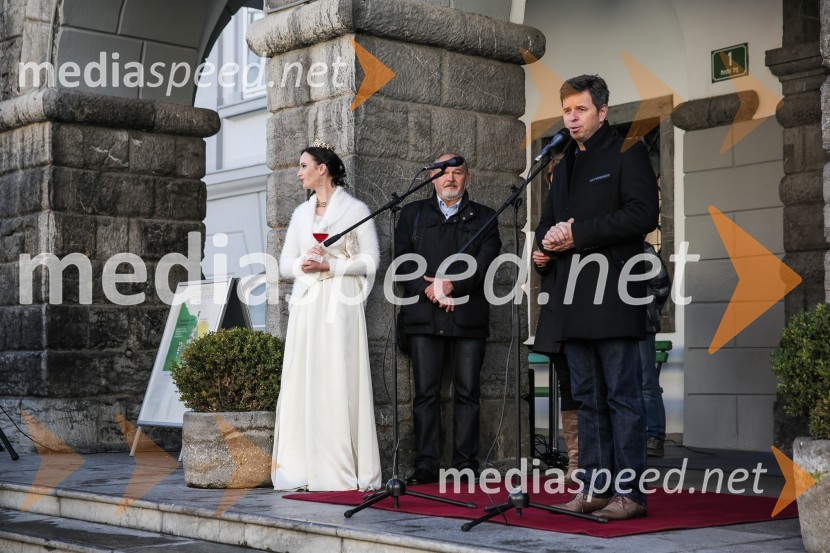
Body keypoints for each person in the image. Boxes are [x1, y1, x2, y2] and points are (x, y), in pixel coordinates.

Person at [536, 75, 659, 520]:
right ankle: (594, 489)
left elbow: (644, 214)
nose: (571, 117)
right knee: (587, 398)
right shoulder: (564, 162)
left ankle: (631, 496)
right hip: (570, 298)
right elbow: (548, 221)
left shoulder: (629, 151)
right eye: (567, 109)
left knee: (622, 398)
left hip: (615, 295)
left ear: (602, 112)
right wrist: (542, 249)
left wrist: (578, 235)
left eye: (580, 109)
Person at [271, 141, 382, 492]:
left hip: (340, 305)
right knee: (303, 379)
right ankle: (300, 466)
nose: (299, 172)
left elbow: (371, 261)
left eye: (304, 165)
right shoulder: (301, 215)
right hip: (307, 305)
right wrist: (303, 262)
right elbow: (284, 263)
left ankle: (337, 467)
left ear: (323, 169)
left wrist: (330, 265)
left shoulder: (355, 209)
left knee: (336, 378)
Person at [394, 153, 501, 486]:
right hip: (423, 317)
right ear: (432, 179)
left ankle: (465, 463)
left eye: (457, 172)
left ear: (468, 179)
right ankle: (426, 463)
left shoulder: (485, 217)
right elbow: (401, 261)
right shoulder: (411, 214)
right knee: (426, 393)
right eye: (443, 173)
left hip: (467, 315)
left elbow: (487, 261)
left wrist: (452, 284)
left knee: (468, 393)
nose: (450, 178)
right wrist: (430, 291)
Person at [532, 158, 580, 484]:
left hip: (584, 308)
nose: (555, 183)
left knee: (587, 387)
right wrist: (542, 261)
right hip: (557, 311)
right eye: (552, 178)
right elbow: (544, 266)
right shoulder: (548, 218)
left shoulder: (582, 212)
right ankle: (576, 464)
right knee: (567, 386)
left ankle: (598, 464)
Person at [640, 242, 671, 458]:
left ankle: (655, 436)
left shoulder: (644, 248)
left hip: (642, 324)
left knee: (646, 382)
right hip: (619, 326)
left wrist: (650, 309)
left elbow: (662, 284)